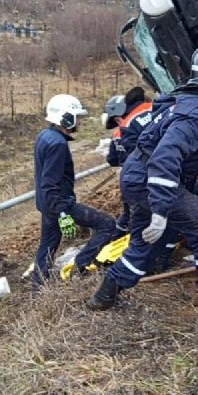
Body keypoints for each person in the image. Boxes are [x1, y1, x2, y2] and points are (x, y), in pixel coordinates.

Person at [88, 41, 198, 326]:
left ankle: (104, 296)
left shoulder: (194, 104)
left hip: (137, 179)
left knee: (142, 244)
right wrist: (161, 211)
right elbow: (164, 160)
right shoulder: (192, 115)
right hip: (151, 181)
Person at [32, 94, 116, 288]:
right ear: (65, 117)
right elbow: (50, 182)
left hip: (46, 203)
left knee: (48, 244)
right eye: (76, 117)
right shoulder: (58, 145)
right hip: (59, 203)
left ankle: (38, 286)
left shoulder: (44, 136)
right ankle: (80, 266)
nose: (79, 122)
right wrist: (62, 212)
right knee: (107, 225)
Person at [102, 86, 154, 236]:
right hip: (145, 175)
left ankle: (115, 237)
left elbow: (112, 159)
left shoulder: (119, 133)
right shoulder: (147, 117)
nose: (118, 122)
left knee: (129, 213)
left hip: (129, 178)